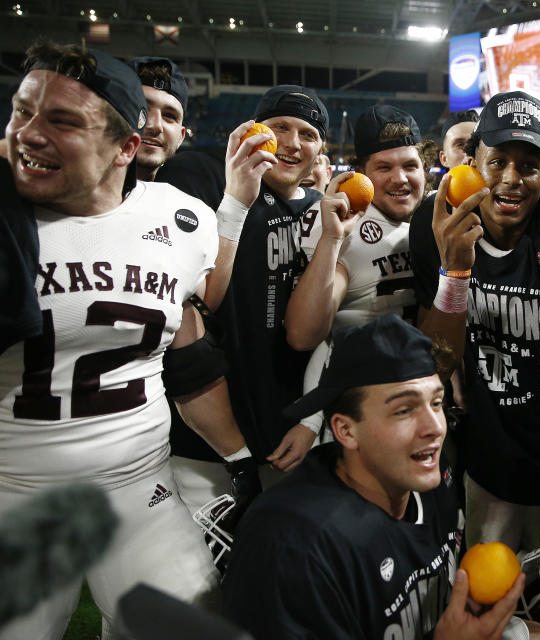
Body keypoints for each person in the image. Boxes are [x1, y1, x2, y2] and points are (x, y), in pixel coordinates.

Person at [0, 41, 240, 638]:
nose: (28, 134)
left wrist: (242, 454)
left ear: (126, 148)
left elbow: (190, 333)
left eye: (62, 121)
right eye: (21, 111)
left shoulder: (183, 219)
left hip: (139, 485)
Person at [221, 314, 527, 639]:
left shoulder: (433, 479)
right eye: (404, 410)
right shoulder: (291, 547)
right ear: (346, 430)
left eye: (436, 403)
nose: (435, 428)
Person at [410, 90, 540, 552]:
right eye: (497, 162)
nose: (511, 180)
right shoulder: (435, 223)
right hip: (488, 460)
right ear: (470, 162)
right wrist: (455, 272)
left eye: (529, 165)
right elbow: (433, 371)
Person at [155, 84, 327, 512]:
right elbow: (192, 302)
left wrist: (311, 419)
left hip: (288, 432)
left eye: (307, 134)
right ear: (251, 131)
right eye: (280, 127)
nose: (291, 143)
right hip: (203, 444)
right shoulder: (202, 176)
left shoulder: (320, 211)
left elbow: (328, 330)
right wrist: (234, 199)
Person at [286, 105, 431, 438]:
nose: (400, 178)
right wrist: (333, 239)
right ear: (359, 175)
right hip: (356, 412)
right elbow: (303, 335)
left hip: (415, 399)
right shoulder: (347, 228)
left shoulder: (432, 224)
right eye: (384, 167)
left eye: (410, 165)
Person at [126, 56, 188, 182]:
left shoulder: (185, 201)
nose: (156, 126)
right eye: (142, 109)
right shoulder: (78, 197)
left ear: (181, 137)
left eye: (169, 116)